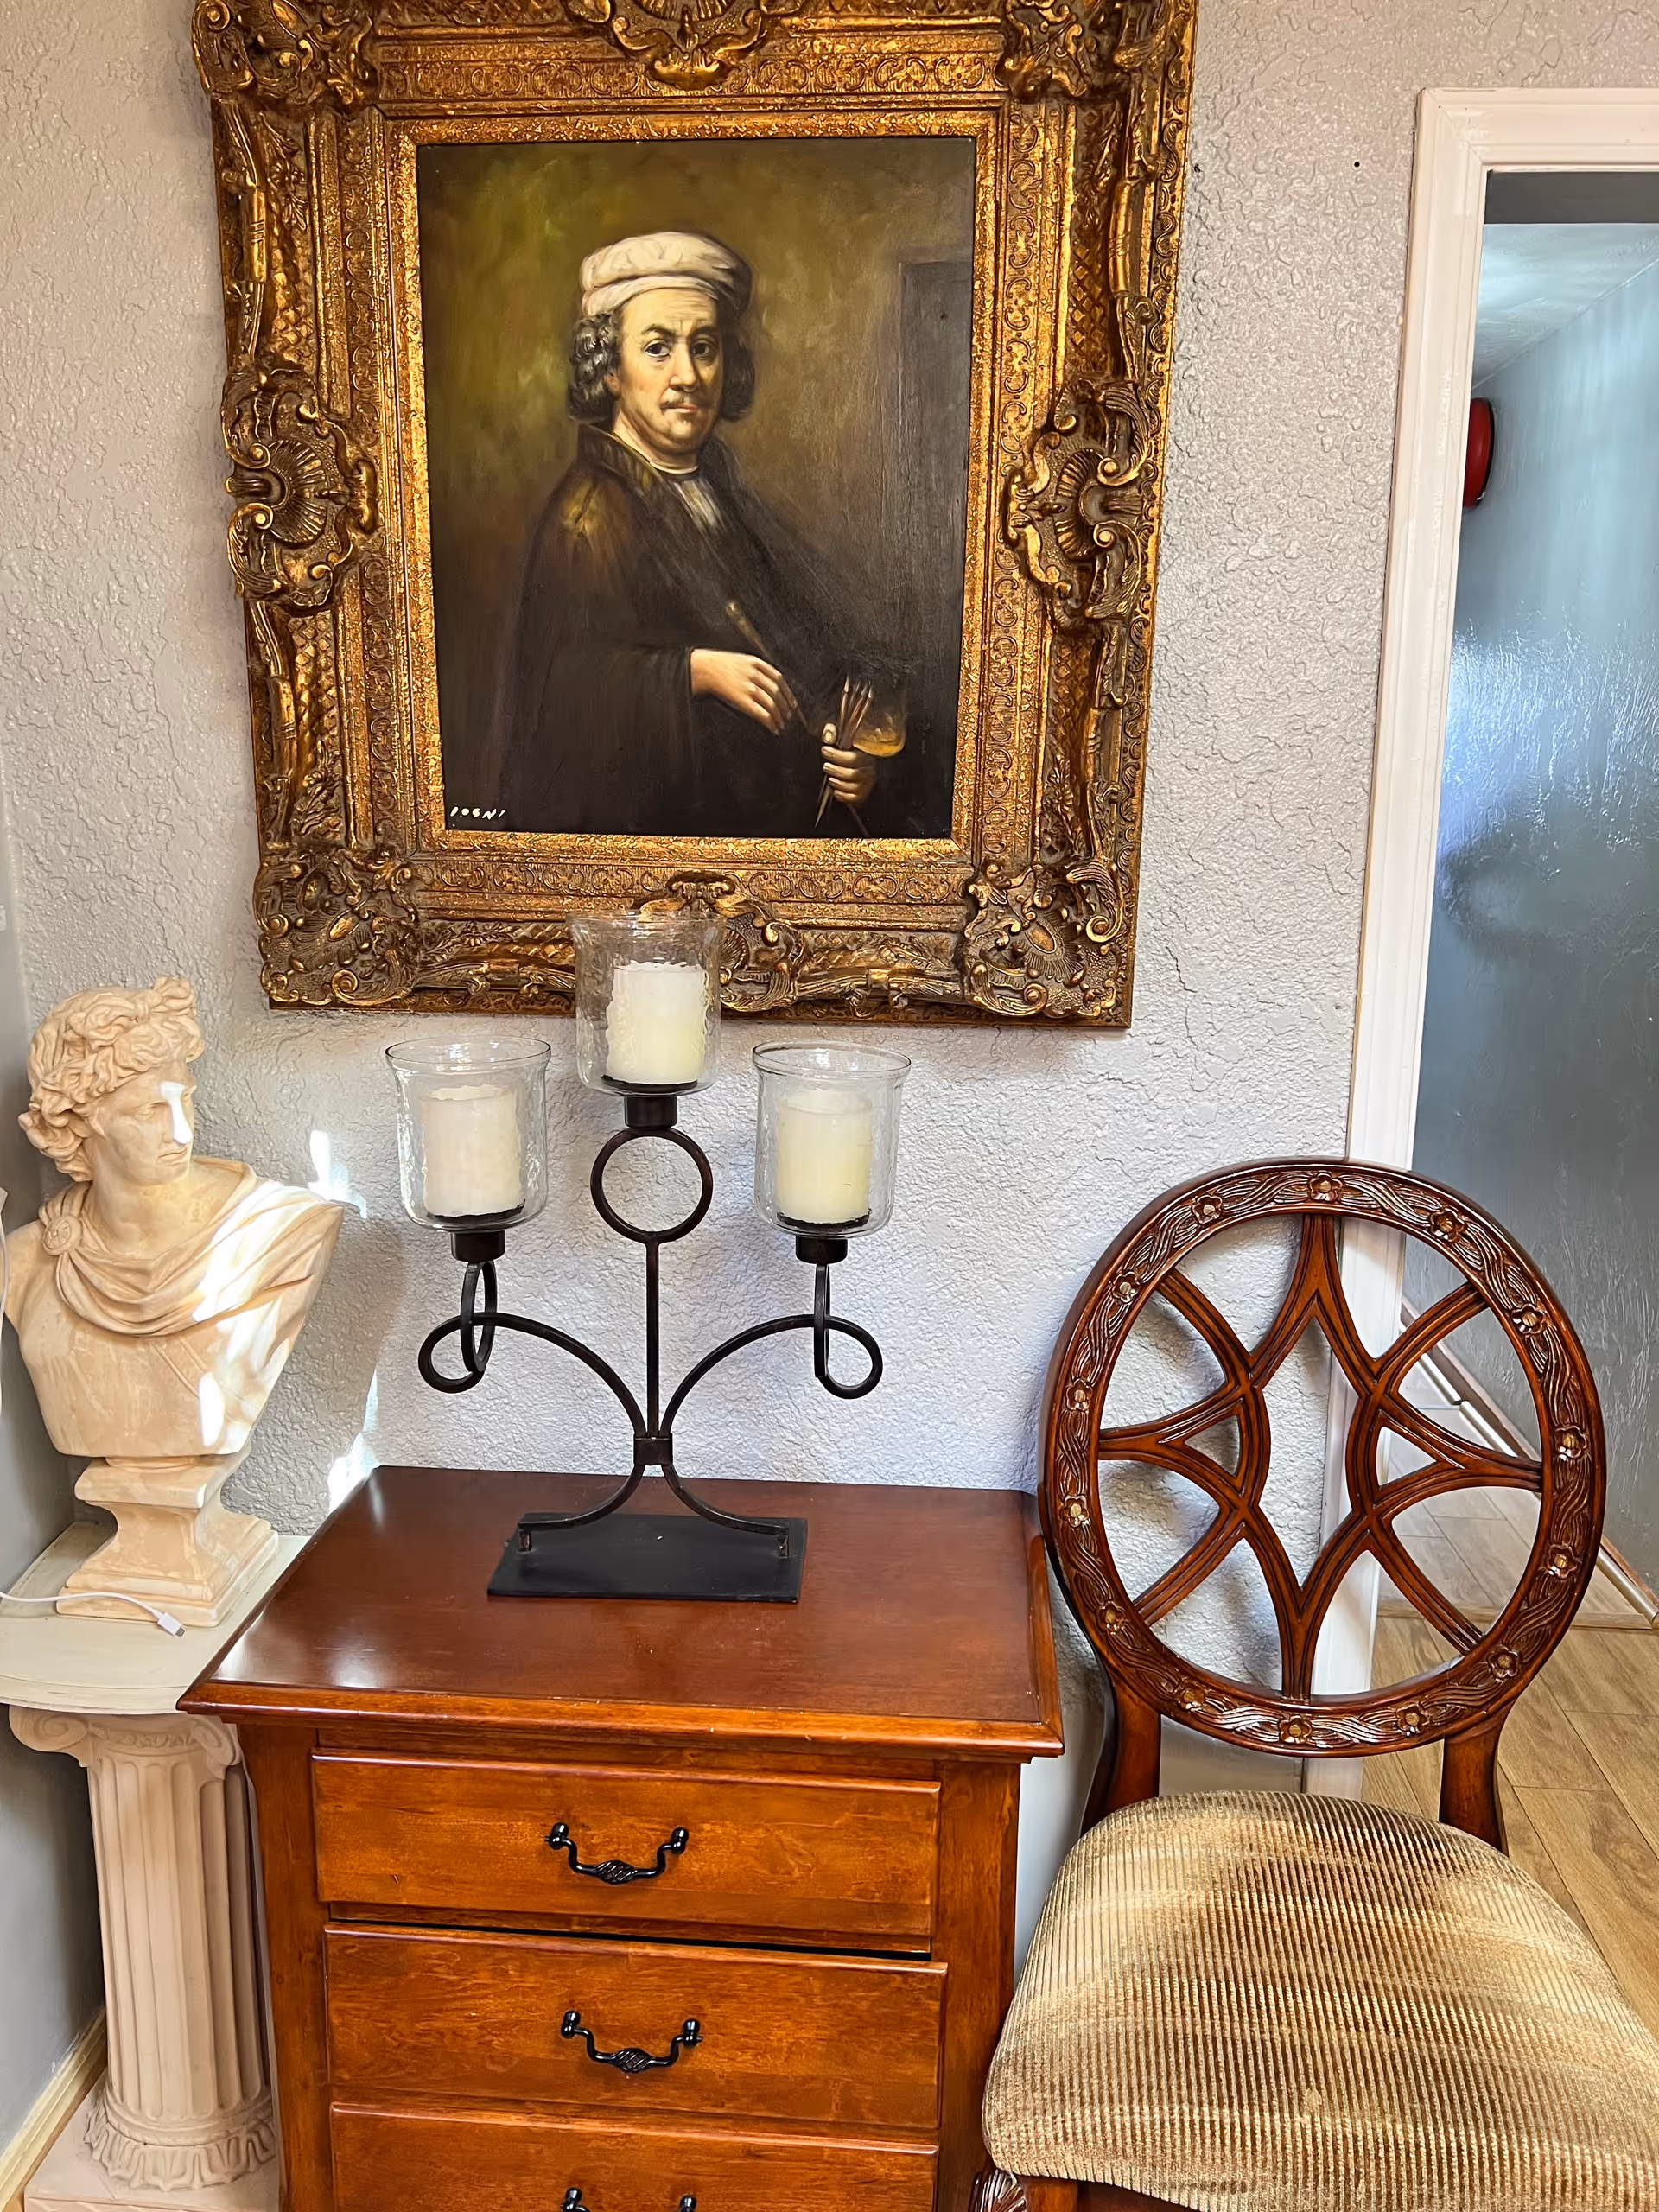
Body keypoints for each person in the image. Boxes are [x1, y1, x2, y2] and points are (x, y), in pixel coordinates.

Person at [499, 230, 902, 837]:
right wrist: (693, 671)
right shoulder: (586, 520)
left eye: (704, 347)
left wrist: (851, 762)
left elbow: (818, 654)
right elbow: (561, 706)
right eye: (658, 348)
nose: (687, 375)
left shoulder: (723, 492)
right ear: (608, 369)